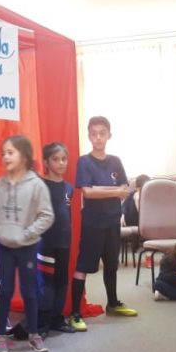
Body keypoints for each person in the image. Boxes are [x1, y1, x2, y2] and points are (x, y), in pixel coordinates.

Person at [69, 116, 137, 331]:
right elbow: (88, 192)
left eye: (102, 133)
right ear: (89, 136)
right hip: (92, 222)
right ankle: (75, 313)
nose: (98, 138)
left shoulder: (115, 161)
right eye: (94, 134)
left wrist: (106, 190)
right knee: (83, 267)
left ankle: (113, 303)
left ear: (109, 135)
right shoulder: (84, 161)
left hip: (113, 220)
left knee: (111, 264)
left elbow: (125, 188)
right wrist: (114, 191)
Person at [0, 135, 54, 352]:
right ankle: (0, 336)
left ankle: (34, 334)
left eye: (10, 152)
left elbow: (46, 215)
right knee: (5, 290)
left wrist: (28, 234)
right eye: (3, 153)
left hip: (28, 247)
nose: (5, 157)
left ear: (24, 156)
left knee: (29, 290)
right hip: (6, 247)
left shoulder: (37, 185)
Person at [37, 142, 76, 334]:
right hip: (46, 243)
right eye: (56, 159)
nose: (61, 163)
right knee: (47, 283)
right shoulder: (40, 185)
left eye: (64, 159)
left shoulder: (69, 187)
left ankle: (57, 319)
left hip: (64, 242)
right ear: (46, 162)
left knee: (62, 281)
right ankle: (42, 323)